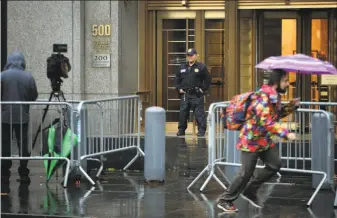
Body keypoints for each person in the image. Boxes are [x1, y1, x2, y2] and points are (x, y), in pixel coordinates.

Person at [217, 69, 299, 212]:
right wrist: (286, 133)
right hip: (251, 141)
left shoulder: (274, 97)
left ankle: (250, 191)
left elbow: (275, 115)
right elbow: (266, 121)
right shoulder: (262, 98)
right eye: (285, 81)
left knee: (274, 164)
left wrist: (291, 106)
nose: (288, 84)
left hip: (264, 140)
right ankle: (225, 199)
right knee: (245, 173)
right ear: (276, 82)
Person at [1, 51, 38, 184]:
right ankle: (23, 169)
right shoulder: (28, 77)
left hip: (5, 115)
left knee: (5, 143)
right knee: (22, 143)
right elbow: (33, 95)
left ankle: (4, 170)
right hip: (23, 115)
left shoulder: (2, 76)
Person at [175, 48, 211, 137]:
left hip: (196, 94)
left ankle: (201, 130)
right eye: (188, 55)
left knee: (199, 113)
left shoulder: (201, 67)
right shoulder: (182, 67)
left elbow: (208, 80)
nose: (190, 57)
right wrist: (178, 88)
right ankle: (181, 130)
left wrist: (202, 90)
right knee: (183, 113)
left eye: (191, 55)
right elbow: (177, 79)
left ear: (196, 56)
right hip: (185, 94)